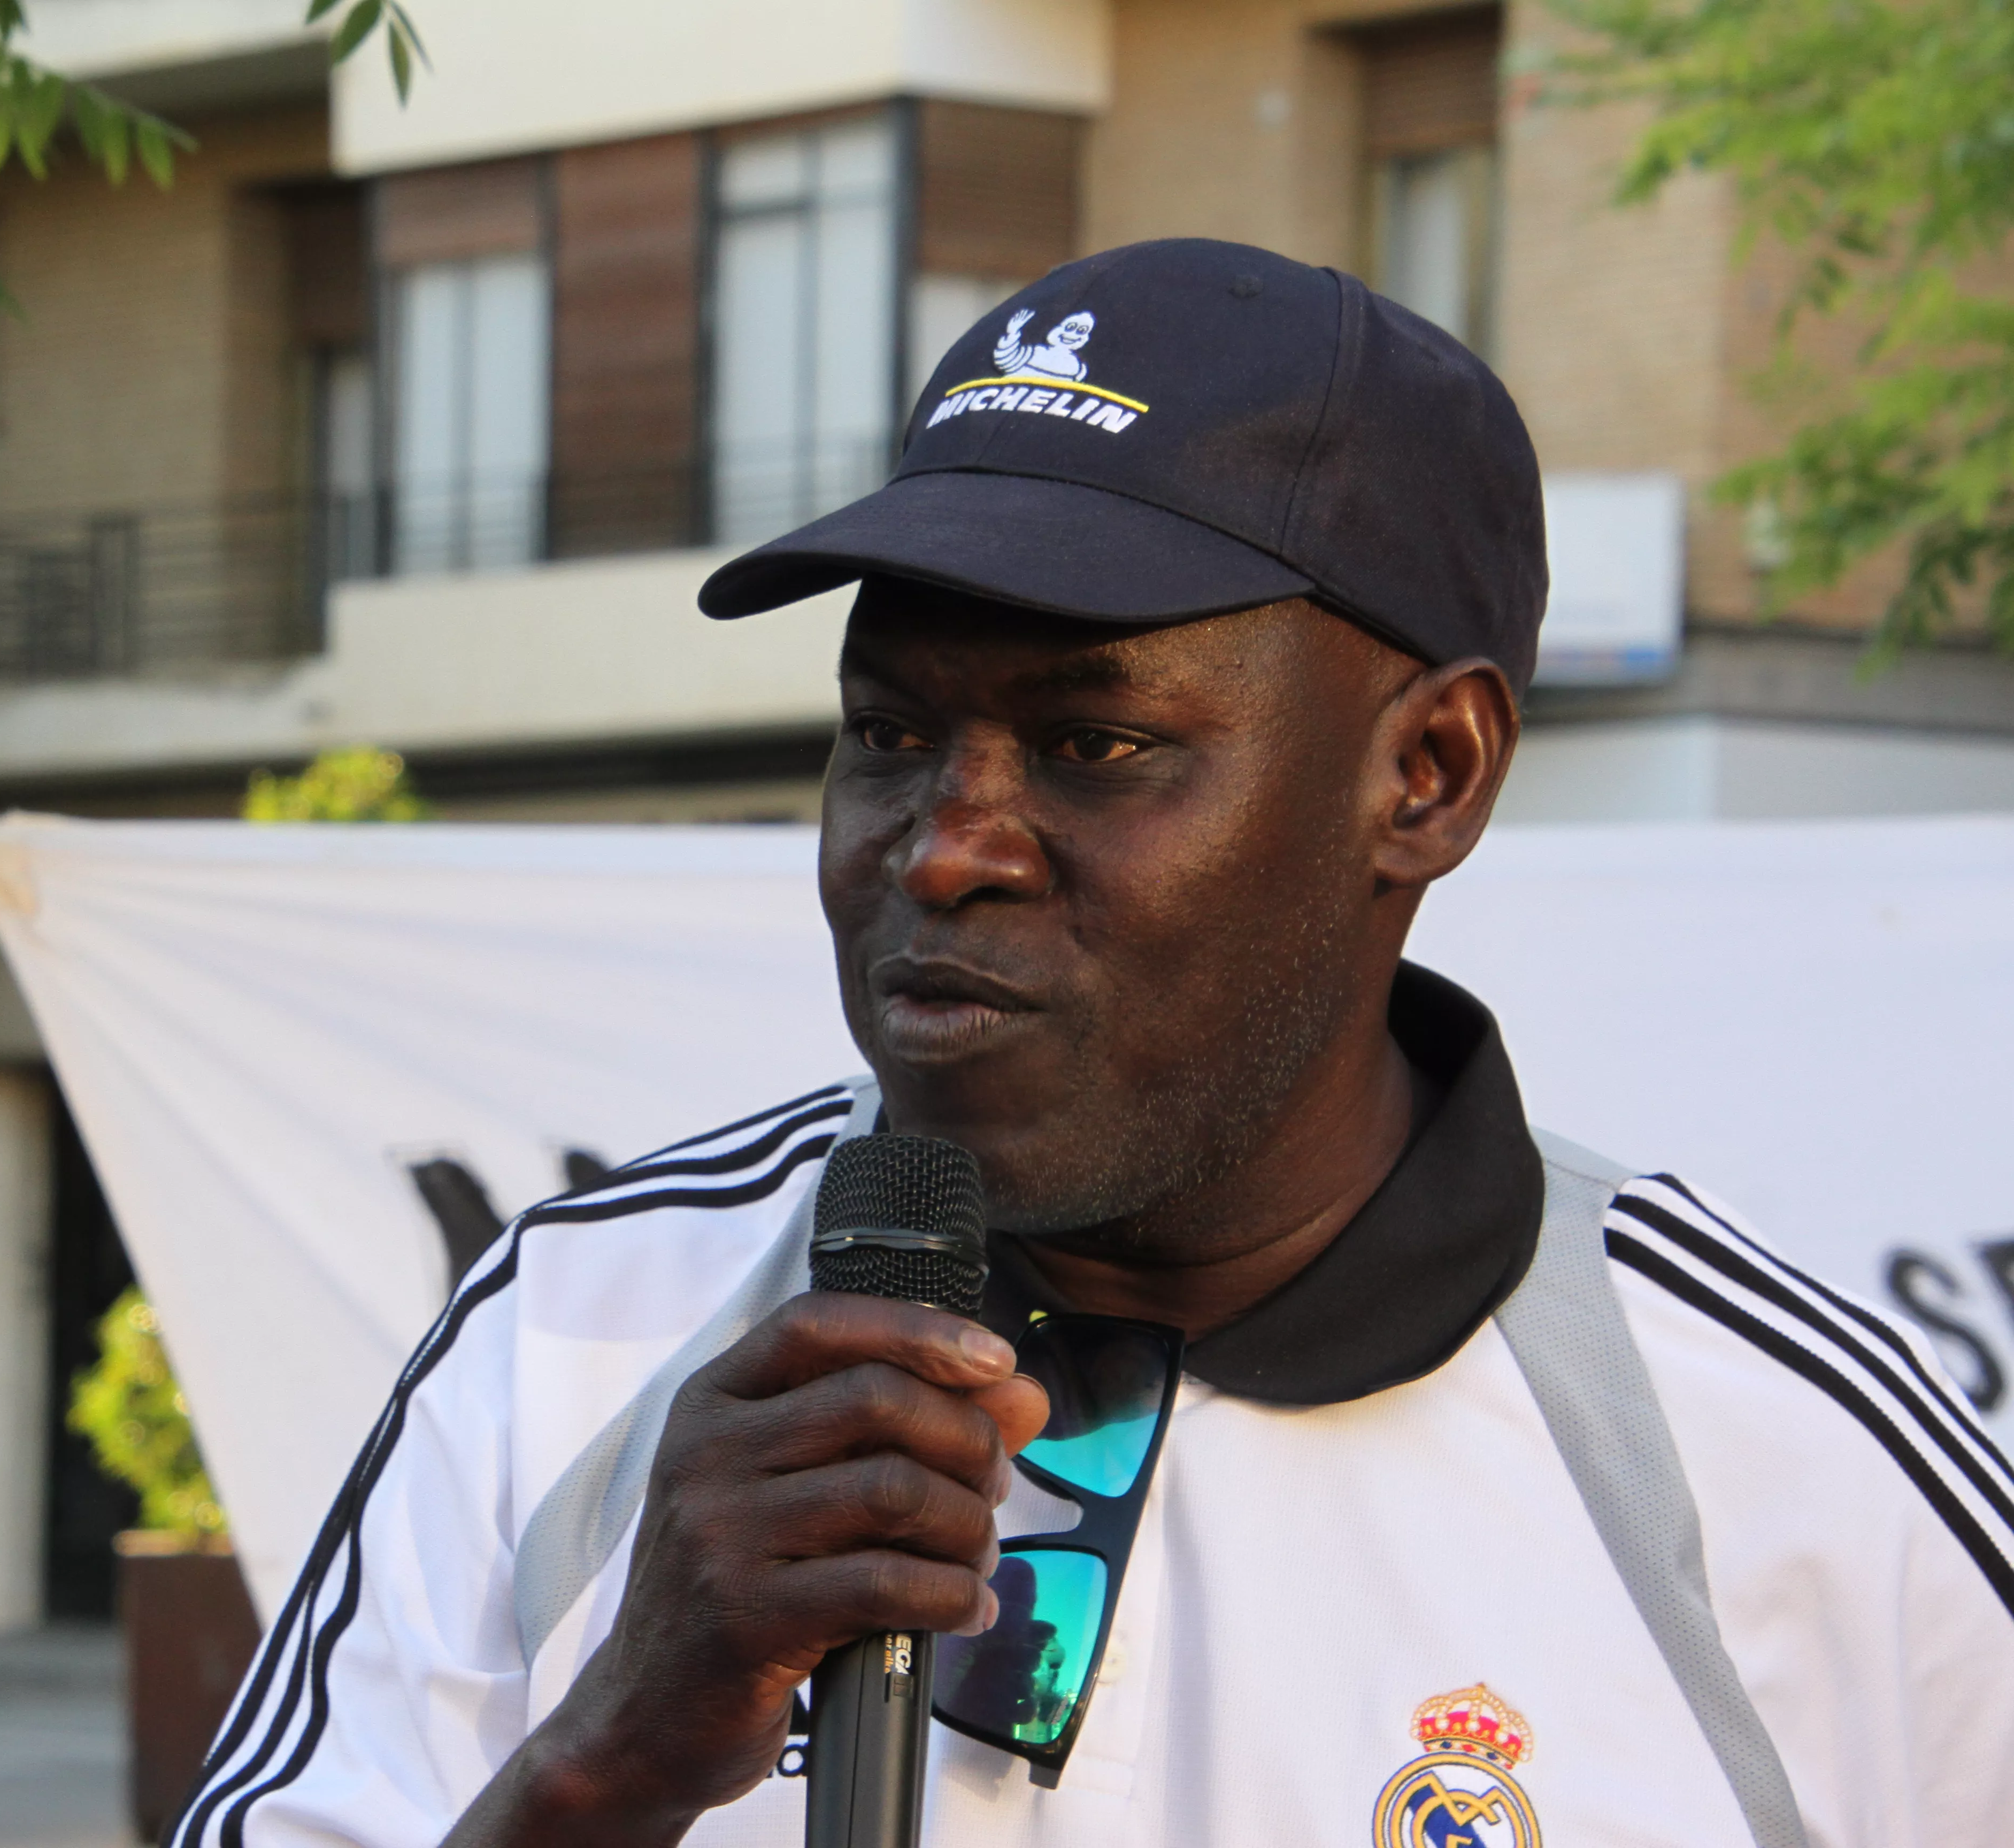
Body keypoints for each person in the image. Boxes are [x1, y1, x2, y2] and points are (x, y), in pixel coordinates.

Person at [173, 240, 2014, 1848]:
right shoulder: (575, 1337)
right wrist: (605, 1772)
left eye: (1094, 746)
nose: (948, 844)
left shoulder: (1785, 1471)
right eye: (891, 734)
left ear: (1427, 776)